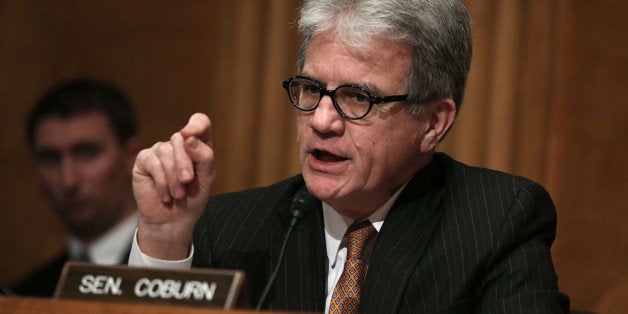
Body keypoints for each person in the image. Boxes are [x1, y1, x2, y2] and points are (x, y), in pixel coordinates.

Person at [129, 0, 570, 313]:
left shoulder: (494, 223)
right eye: (311, 89)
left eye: (358, 98)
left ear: (434, 122)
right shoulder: (230, 229)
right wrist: (165, 238)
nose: (322, 120)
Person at [13, 78, 141, 297]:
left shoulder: (185, 268)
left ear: (132, 157)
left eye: (87, 153)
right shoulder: (26, 295)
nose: (68, 181)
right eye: (51, 158)